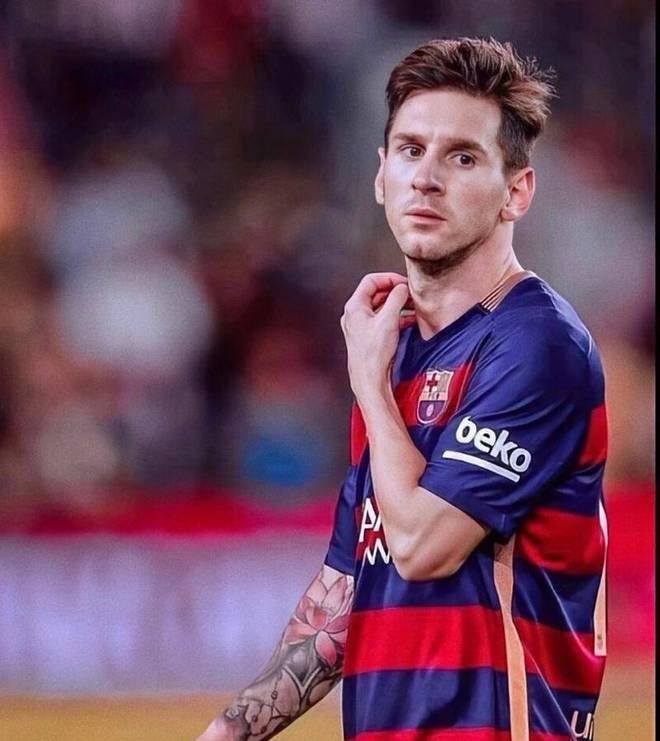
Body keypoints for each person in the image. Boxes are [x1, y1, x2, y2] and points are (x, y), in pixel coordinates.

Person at [196, 37, 608, 741]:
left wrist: (366, 382)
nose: (427, 178)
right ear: (381, 174)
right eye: (411, 150)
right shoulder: (393, 350)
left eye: (463, 157)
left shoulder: (538, 344)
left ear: (517, 192)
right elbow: (349, 592)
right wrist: (226, 733)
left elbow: (421, 546)